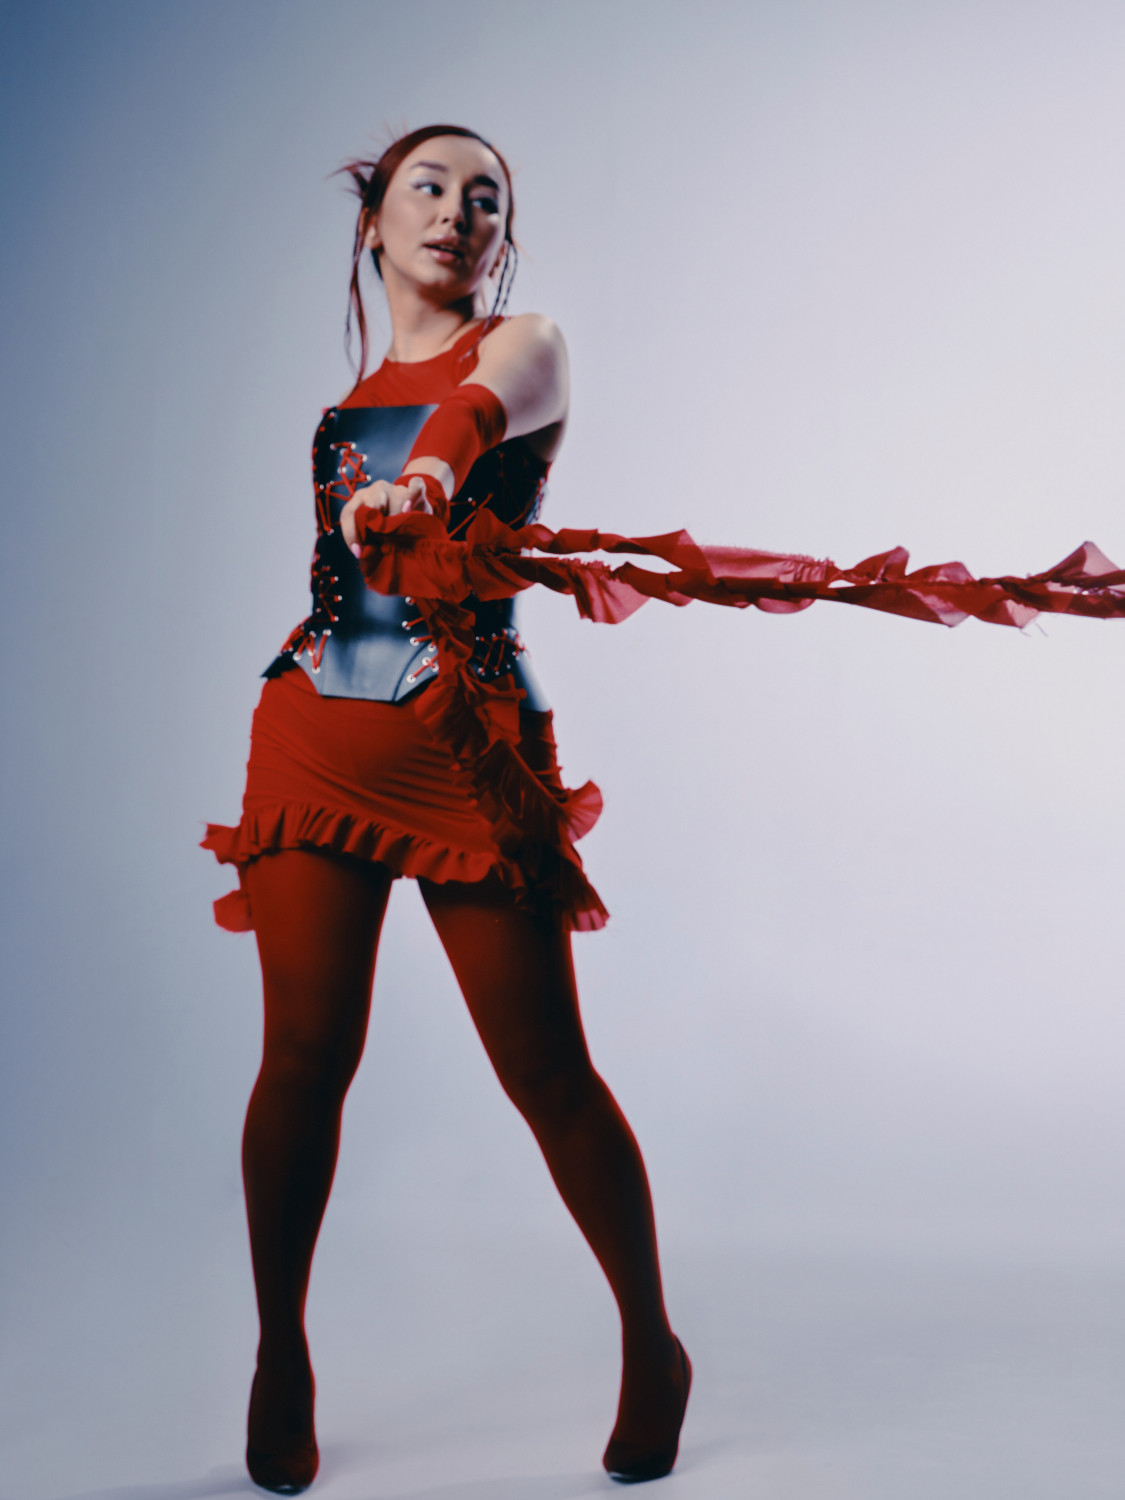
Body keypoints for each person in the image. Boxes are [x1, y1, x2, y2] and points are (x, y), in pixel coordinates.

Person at [205, 124, 691, 1493]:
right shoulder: (343, 402)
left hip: (469, 746)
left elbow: (475, 413)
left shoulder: (525, 350)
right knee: (303, 1058)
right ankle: (281, 1354)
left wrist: (425, 475)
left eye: (486, 198)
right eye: (429, 186)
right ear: (372, 221)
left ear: (501, 238)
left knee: (547, 1072)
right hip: (313, 737)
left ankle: (651, 1342)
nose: (457, 212)